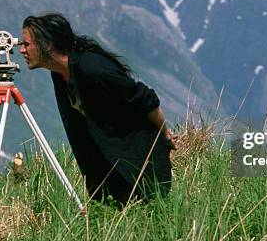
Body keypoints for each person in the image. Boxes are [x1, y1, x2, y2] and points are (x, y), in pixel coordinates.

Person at [19, 13, 176, 206]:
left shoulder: (93, 68)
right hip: (109, 166)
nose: (21, 50)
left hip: (138, 163)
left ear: (48, 44)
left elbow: (144, 98)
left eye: (26, 44)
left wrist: (164, 133)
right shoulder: (60, 74)